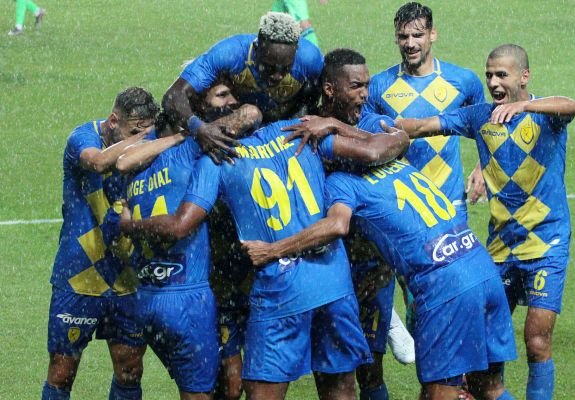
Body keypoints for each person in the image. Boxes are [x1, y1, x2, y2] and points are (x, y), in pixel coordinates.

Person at [120, 48, 409, 400]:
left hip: (280, 288)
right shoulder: (296, 130)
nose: (231, 103)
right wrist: (395, 136)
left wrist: (130, 225)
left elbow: (181, 224)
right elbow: (373, 152)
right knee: (340, 390)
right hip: (333, 283)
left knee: (258, 391)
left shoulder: (216, 159)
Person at [242, 133, 518, 400]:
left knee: (439, 394)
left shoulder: (341, 182)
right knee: (489, 388)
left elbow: (337, 225)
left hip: (446, 285)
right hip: (481, 266)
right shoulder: (396, 163)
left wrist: (273, 250)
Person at [394, 44, 575, 400]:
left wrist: (524, 106)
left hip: (547, 244)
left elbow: (570, 104)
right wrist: (370, 127)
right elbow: (423, 126)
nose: (493, 82)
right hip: (500, 248)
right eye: (489, 75)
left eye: (502, 75)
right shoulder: (480, 116)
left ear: (524, 76)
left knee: (537, 341)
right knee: (483, 366)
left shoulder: (546, 115)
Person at [358, 3, 487, 395]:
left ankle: (450, 384)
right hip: (401, 211)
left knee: (443, 303)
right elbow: (366, 139)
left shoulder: (463, 81)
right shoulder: (379, 87)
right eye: (403, 36)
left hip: (449, 207)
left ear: (433, 35)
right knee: (412, 300)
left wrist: (482, 167)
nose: (410, 43)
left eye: (418, 35)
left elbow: (484, 125)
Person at [115, 83, 244, 400]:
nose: (229, 103)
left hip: (148, 297)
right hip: (189, 299)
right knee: (210, 390)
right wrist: (199, 129)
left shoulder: (139, 164)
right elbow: (249, 115)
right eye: (221, 96)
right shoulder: (196, 150)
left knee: (222, 385)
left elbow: (121, 162)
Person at [42, 87, 159, 400]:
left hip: (128, 277)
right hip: (78, 275)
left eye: (147, 131)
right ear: (113, 121)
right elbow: (98, 162)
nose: (141, 140)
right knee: (61, 373)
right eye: (134, 132)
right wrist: (149, 138)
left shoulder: (147, 147)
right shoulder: (83, 138)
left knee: (130, 370)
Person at [162, 11, 322, 146]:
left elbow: (329, 94)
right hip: (238, 121)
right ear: (257, 48)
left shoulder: (310, 59)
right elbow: (173, 95)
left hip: (284, 126)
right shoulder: (230, 53)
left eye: (286, 68)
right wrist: (199, 128)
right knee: (167, 122)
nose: (277, 76)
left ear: (296, 52)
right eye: (269, 67)